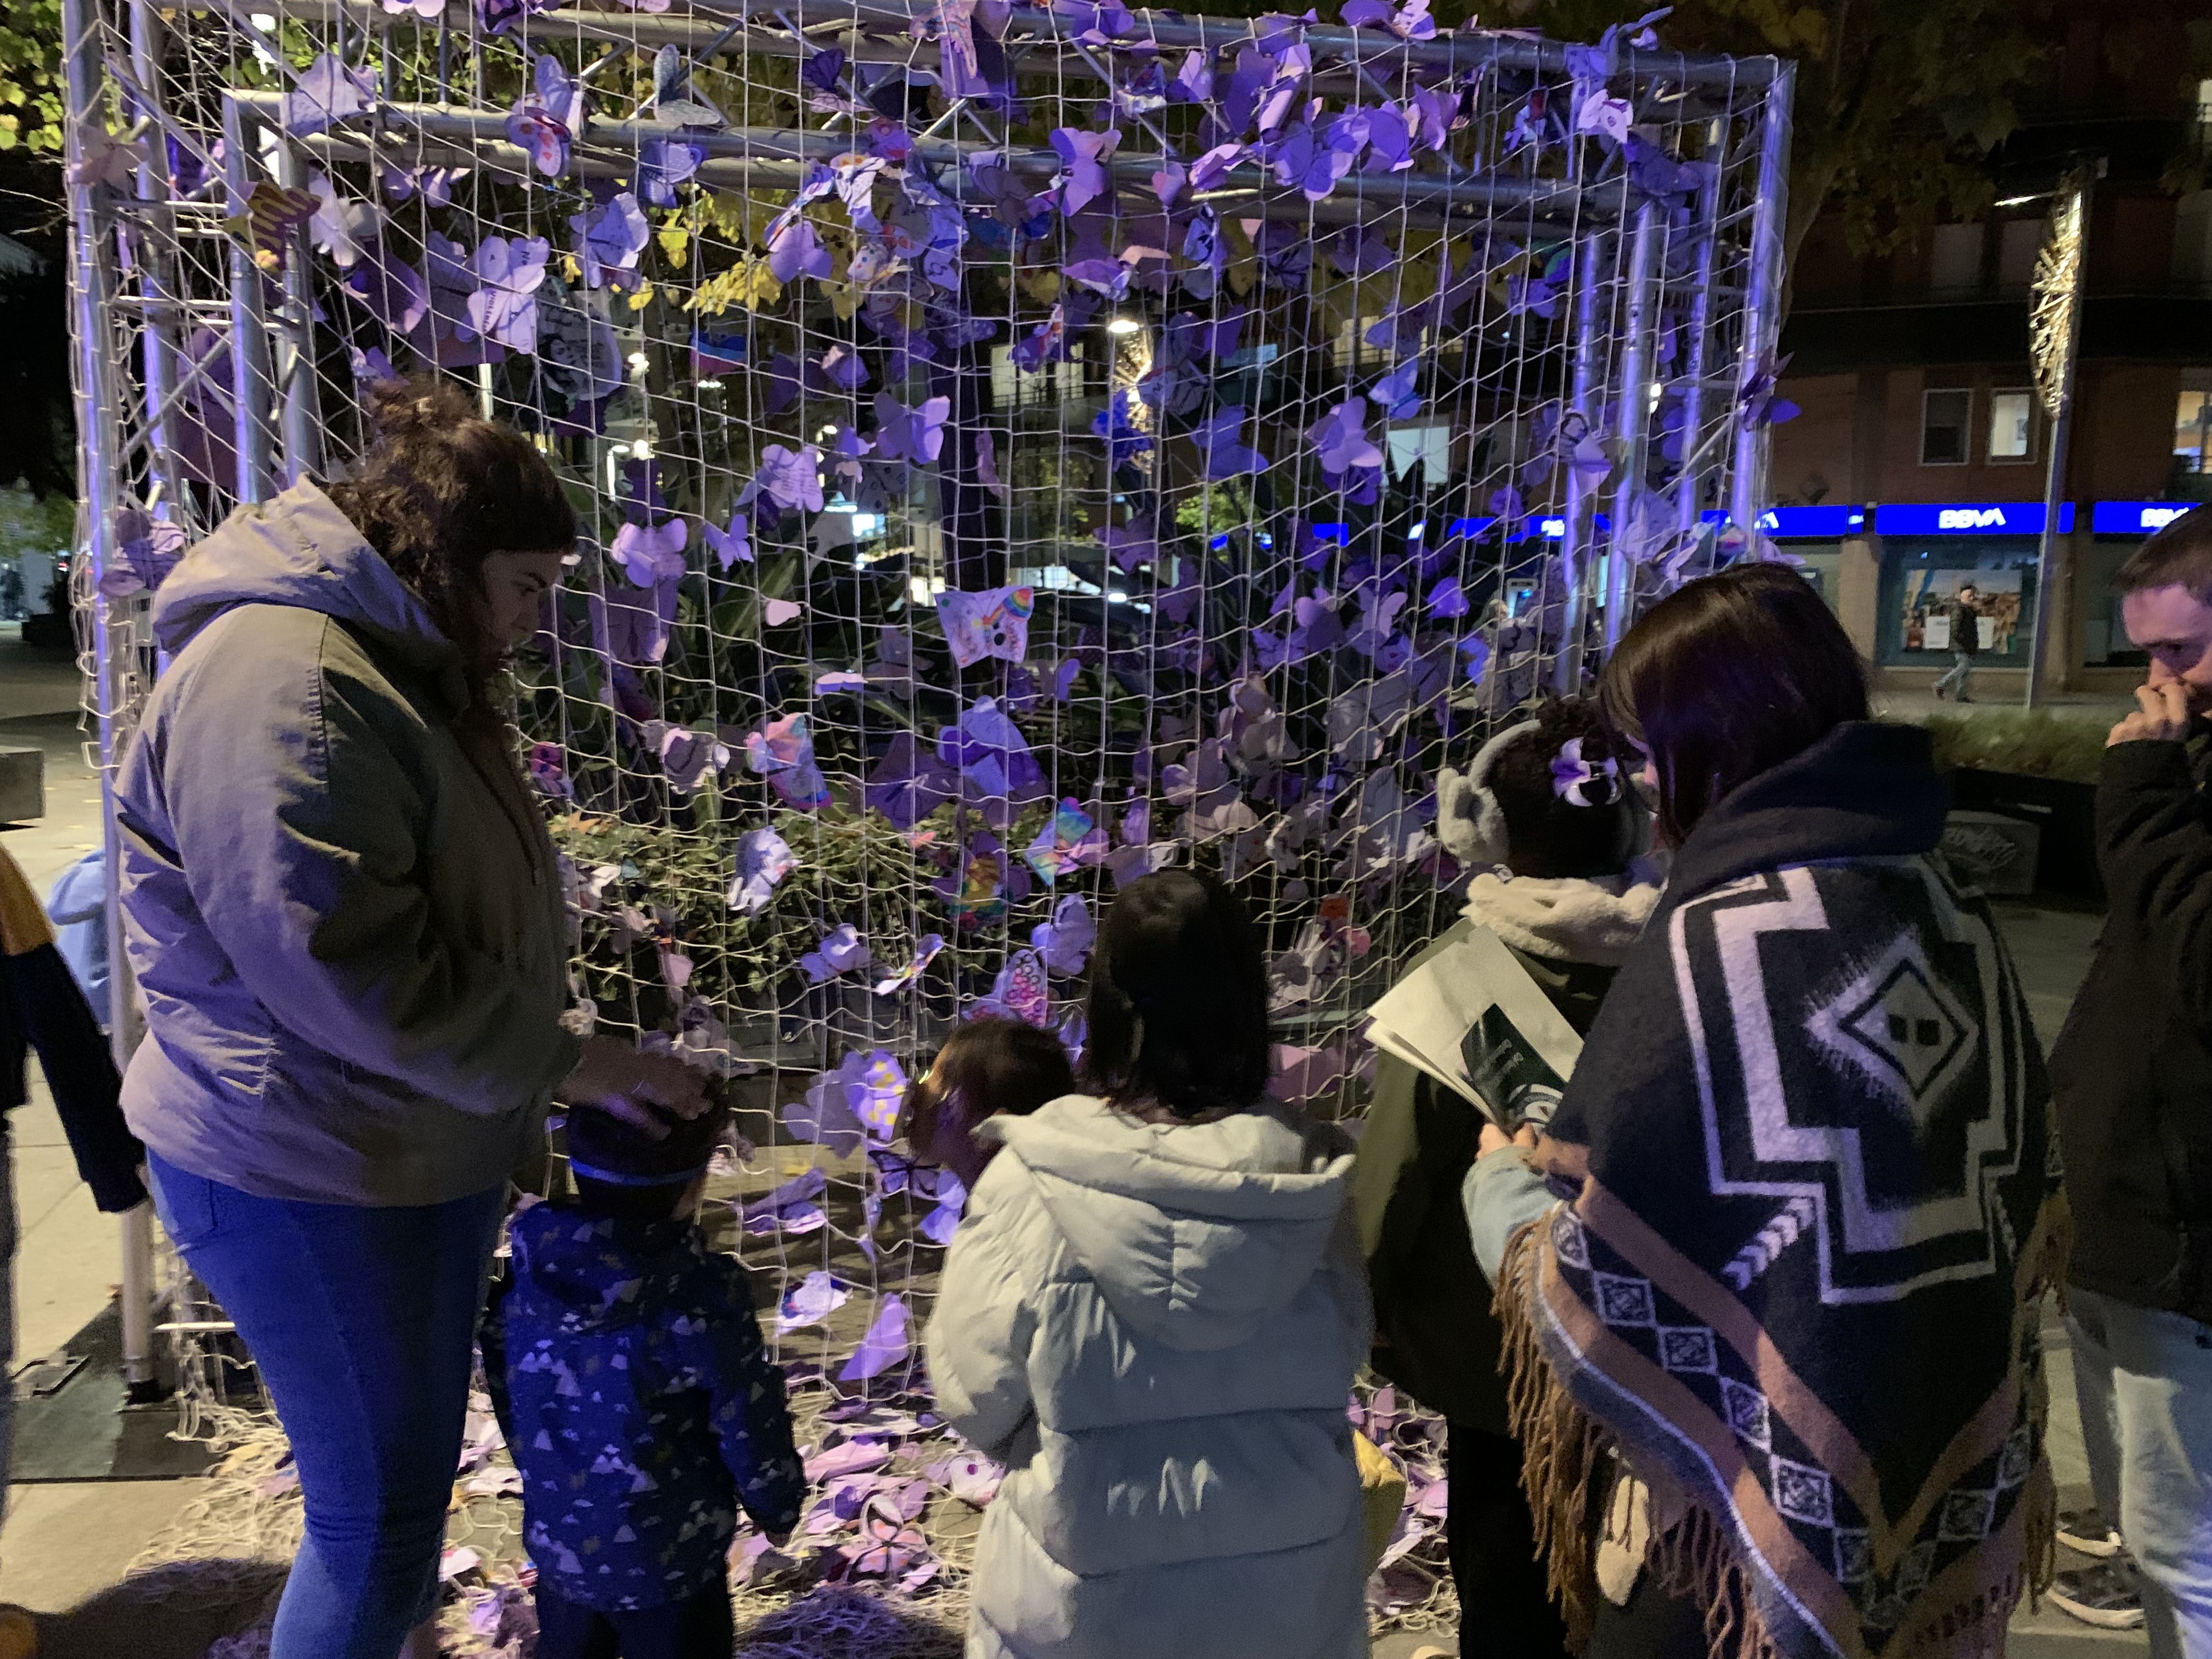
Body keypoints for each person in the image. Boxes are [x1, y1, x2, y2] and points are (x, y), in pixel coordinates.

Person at [112, 379, 708, 1659]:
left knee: (395, 1496)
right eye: (529, 585)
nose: (537, 621)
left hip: (387, 1149)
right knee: (377, 1532)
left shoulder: (391, 659)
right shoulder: (295, 685)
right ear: (446, 555)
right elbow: (340, 967)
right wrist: (567, 1061)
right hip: (306, 1169)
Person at [1464, 565, 2060, 1659]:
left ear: (1721, 745)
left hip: (1722, 1549)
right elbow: (2012, 1211)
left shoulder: (1713, 941)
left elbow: (1594, 1271)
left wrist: (1502, 1190)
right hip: (1920, 1483)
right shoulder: (1955, 912)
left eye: (1651, 748)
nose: (1640, 782)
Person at [927, 869, 1372, 1659]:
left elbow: (973, 1396)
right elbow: (1343, 1356)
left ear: (1105, 1000)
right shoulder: (1313, 1184)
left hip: (1085, 1613)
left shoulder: (1030, 1180)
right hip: (1282, 1611)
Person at [1353, 698, 1659, 1659]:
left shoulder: (1456, 973)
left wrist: (1363, 1312)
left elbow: (1390, 1184)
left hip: (1508, 1364)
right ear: (1639, 817)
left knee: (1509, 1579)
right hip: (1669, 1352)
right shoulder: (1691, 954)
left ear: (1482, 829)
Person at [2046, 504, 2212, 1653]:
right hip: (2124, 1224)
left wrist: (2145, 800)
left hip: (2181, 1238)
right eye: (2144, 652)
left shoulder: (2170, 775)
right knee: (2162, 1544)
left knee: (2187, 1553)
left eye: (2183, 650)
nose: (2162, 683)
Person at [481, 1095, 805, 1659]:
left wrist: (551, 1477)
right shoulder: (702, 1297)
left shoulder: (528, 1282)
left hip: (563, 1554)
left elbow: (510, 1397)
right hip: (672, 1567)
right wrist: (777, 1506)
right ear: (695, 1187)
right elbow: (748, 1415)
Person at [902, 1013, 1077, 1192]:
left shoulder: (1018, 1215)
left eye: (942, 1077)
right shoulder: (999, 1207)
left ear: (998, 1125)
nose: (921, 1086)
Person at [1934, 580, 1982, 702]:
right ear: (1964, 596)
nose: (1973, 598)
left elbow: (1971, 630)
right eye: (1970, 595)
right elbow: (1956, 630)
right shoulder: (1959, 610)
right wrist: (1965, 642)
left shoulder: (1968, 611)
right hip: (1961, 646)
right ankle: (1941, 684)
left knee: (1964, 672)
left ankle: (1961, 696)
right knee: (1963, 667)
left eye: (1973, 595)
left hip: (1967, 645)